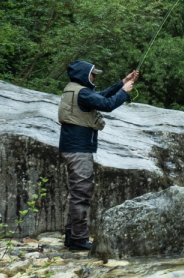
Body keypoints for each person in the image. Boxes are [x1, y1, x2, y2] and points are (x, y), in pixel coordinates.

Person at [57, 60, 139, 252]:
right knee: (81, 194)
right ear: (84, 74)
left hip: (72, 148)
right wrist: (124, 91)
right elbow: (107, 104)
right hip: (79, 150)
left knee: (77, 194)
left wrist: (121, 83)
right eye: (93, 74)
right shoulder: (82, 92)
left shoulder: (74, 89)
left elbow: (99, 97)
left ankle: (71, 237)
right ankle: (78, 240)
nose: (94, 78)